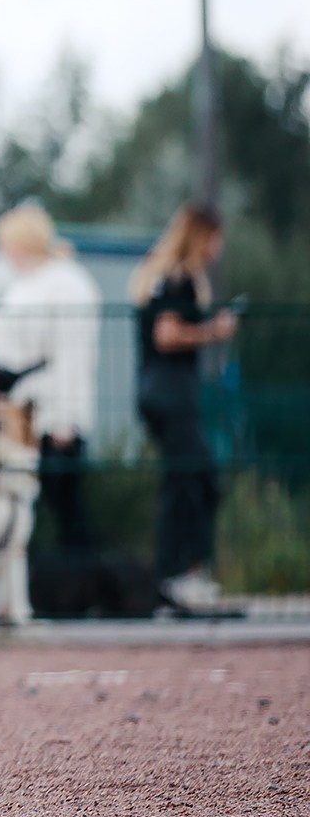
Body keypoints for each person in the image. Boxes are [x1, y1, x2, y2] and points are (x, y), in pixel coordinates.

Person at [131, 201, 239, 615]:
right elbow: (167, 334)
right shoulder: (177, 280)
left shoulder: (159, 277)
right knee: (194, 481)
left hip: (158, 392)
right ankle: (177, 577)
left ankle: (175, 576)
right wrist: (215, 331)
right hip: (171, 392)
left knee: (186, 480)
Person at [0, 200, 102, 552]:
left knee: (64, 503)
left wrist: (65, 419)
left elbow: (72, 355)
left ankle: (80, 585)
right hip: (20, 411)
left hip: (51, 413)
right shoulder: (28, 283)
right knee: (36, 503)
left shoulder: (66, 284)